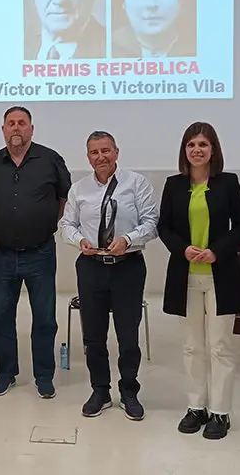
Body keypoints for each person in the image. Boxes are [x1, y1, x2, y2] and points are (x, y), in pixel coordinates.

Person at [157, 122, 240, 439]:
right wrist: (182, 248)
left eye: (203, 144)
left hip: (219, 276)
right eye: (191, 144)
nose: (197, 150)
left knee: (220, 346)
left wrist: (217, 251)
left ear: (213, 150)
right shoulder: (173, 185)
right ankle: (196, 407)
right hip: (186, 277)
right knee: (192, 347)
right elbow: (164, 227)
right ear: (184, 151)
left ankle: (220, 412)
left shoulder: (228, 183)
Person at [60, 131, 157, 421]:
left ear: (116, 152)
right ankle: (100, 390)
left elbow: (151, 223)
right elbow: (67, 224)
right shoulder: (79, 189)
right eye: (94, 152)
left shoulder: (137, 183)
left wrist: (128, 238)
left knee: (128, 335)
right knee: (94, 335)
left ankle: (129, 391)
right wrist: (80, 242)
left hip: (128, 266)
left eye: (105, 151)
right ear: (87, 156)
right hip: (91, 267)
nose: (100, 157)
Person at [0, 106, 71, 398]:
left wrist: (45, 222)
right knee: (0, 317)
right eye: (11, 123)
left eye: (22, 123)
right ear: (3, 129)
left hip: (41, 253)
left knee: (44, 317)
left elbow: (64, 198)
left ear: (32, 128)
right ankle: (6, 373)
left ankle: (44, 375)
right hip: (3, 254)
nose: (16, 128)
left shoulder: (50, 159)